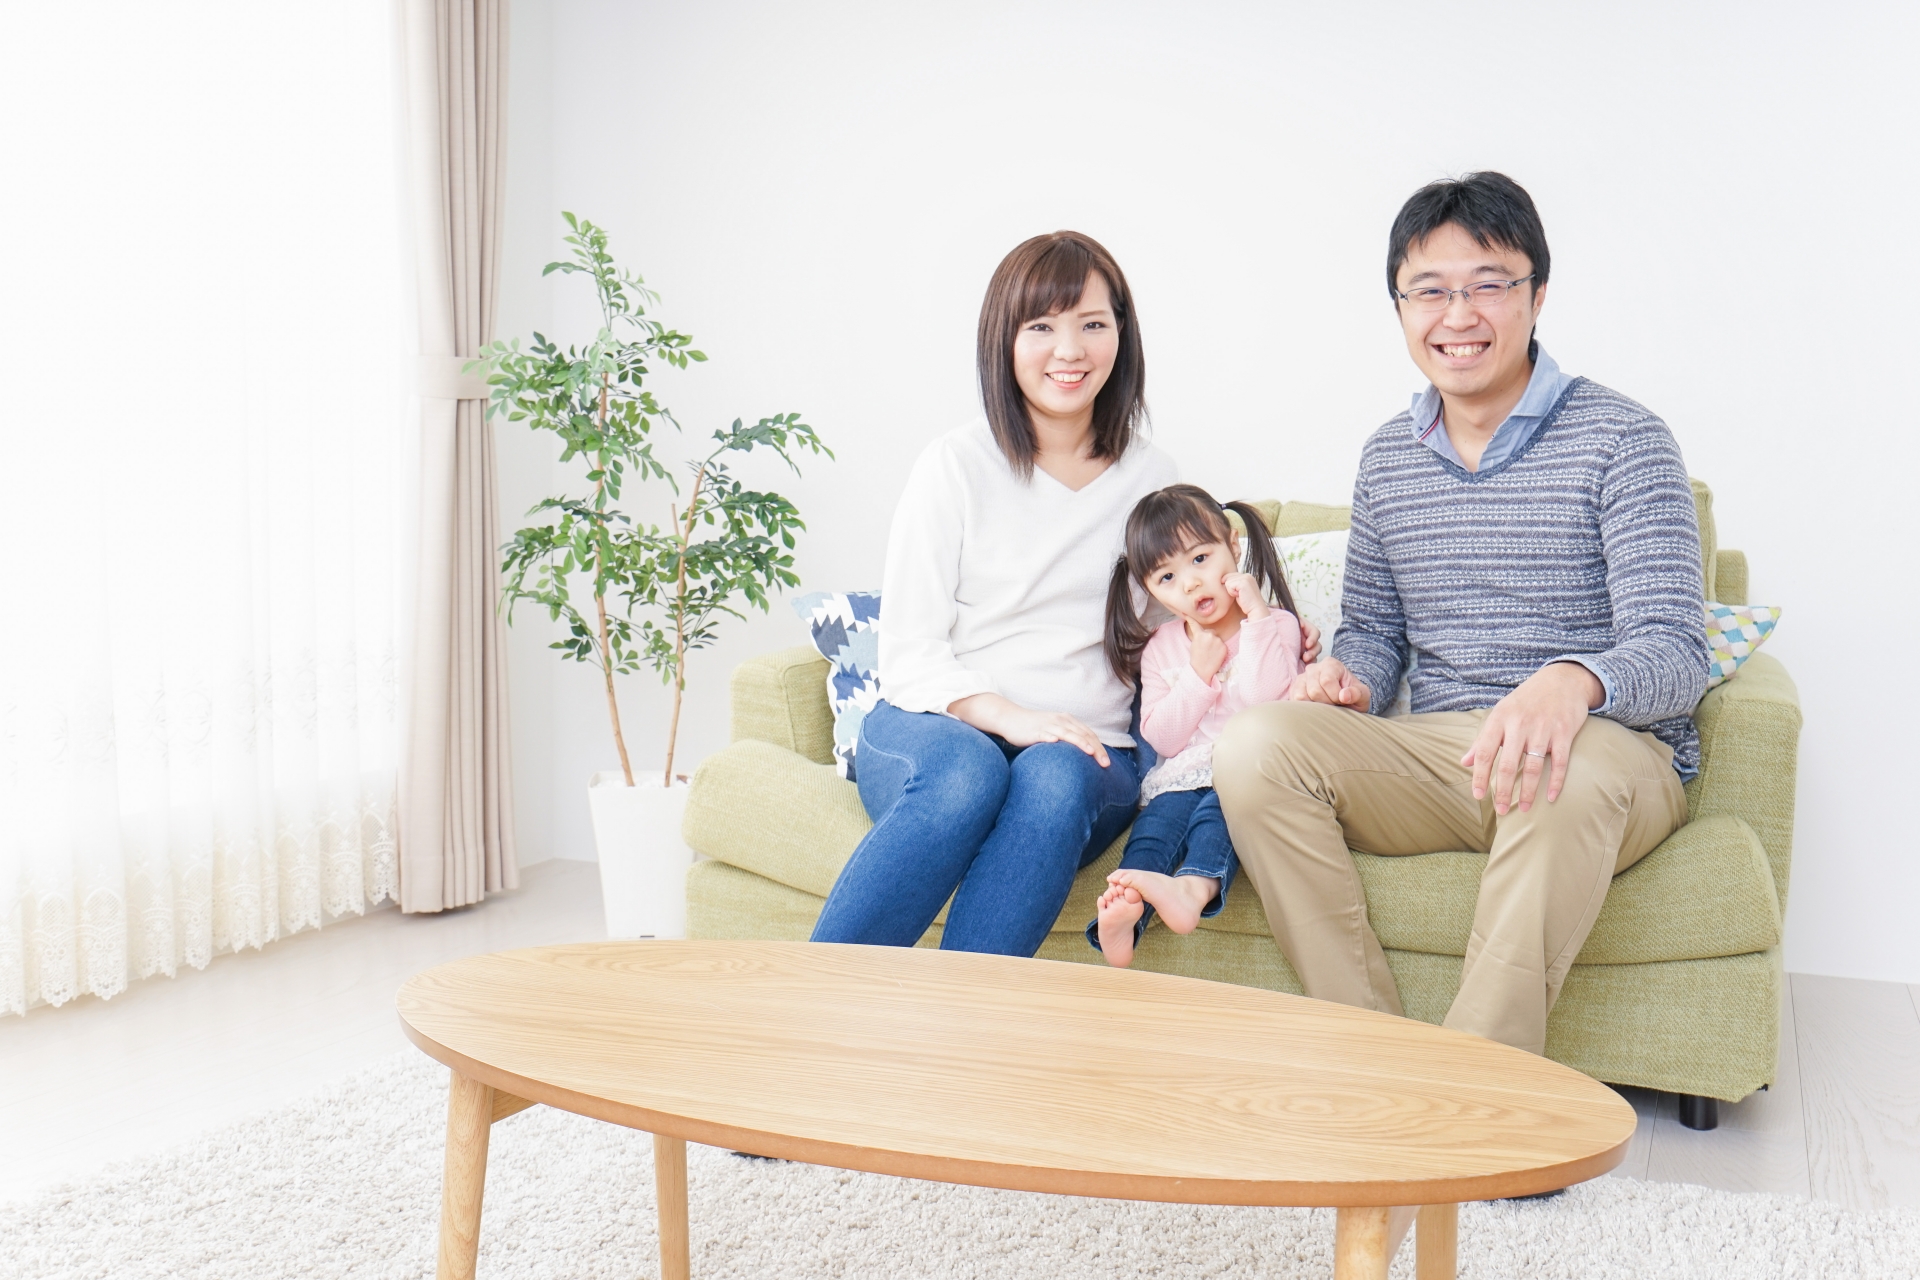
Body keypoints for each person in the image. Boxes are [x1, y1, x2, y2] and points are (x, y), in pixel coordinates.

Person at [1214, 171, 1706, 1058]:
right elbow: (1374, 632)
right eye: (1430, 291)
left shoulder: (1625, 440)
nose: (1459, 315)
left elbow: (1675, 651)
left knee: (1555, 770)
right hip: (1448, 754)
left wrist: (1571, 683)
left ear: (1537, 295)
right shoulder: (1388, 458)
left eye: (1488, 285)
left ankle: (1476, 1087)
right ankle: (1372, 1057)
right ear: (1400, 308)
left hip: (1606, 755)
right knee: (1255, 746)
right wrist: (1350, 679)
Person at [806, 231, 1176, 957]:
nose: (1069, 350)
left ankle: (961, 1020)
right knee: (967, 771)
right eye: (1041, 326)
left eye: (1092, 324)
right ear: (1002, 339)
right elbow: (910, 651)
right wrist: (1011, 717)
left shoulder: (1153, 479)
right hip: (937, 723)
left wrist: (1254, 635)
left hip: (1085, 744)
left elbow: (1170, 638)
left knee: (1054, 777)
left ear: (1122, 334)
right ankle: (818, 1006)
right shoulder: (955, 464)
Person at [1088, 485, 1304, 967]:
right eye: (1167, 576)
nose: (1189, 583)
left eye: (1200, 559)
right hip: (1182, 774)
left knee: (1218, 816)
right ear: (1151, 591)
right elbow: (1163, 738)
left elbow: (1267, 702)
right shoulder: (1161, 648)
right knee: (1154, 829)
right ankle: (1128, 915)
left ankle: (1194, 888)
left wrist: (1257, 617)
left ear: (1233, 545)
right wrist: (1196, 675)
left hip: (1246, 773)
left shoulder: (1276, 626)